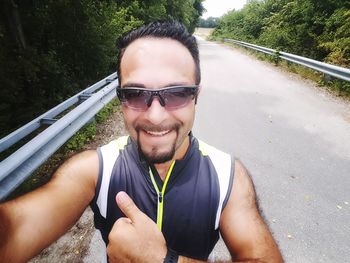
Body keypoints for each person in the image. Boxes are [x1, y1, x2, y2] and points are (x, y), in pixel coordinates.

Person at [0, 20, 283, 263]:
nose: (156, 116)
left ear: (196, 94)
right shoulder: (97, 169)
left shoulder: (226, 177)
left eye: (177, 93)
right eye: (136, 94)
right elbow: (15, 229)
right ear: (120, 98)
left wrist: (165, 260)